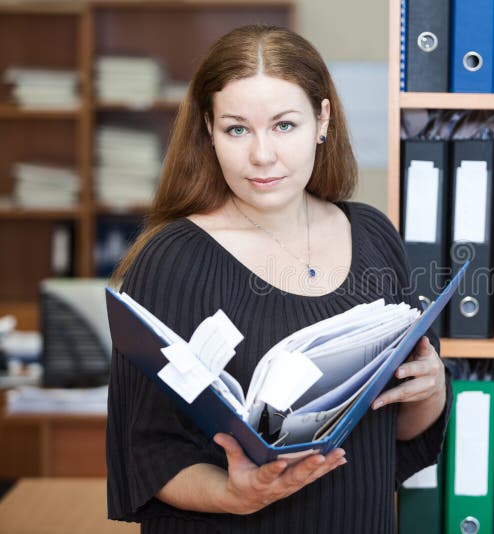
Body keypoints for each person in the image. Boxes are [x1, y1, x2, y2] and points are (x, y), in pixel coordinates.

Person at [107, 25, 452, 533]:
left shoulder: (374, 234)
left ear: (322, 119)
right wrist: (232, 495)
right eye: (237, 129)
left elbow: (394, 435)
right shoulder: (169, 259)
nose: (262, 155)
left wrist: (433, 390)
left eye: (284, 125)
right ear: (209, 130)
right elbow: (146, 453)